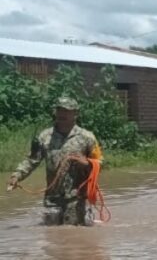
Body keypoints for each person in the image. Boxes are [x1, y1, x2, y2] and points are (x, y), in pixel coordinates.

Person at [6, 96, 103, 225]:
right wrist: (17, 176)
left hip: (76, 197)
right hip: (52, 197)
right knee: (50, 232)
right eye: (59, 110)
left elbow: (100, 163)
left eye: (66, 111)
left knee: (73, 232)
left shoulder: (87, 137)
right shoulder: (45, 136)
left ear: (75, 113)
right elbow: (32, 160)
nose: (62, 114)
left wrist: (86, 163)